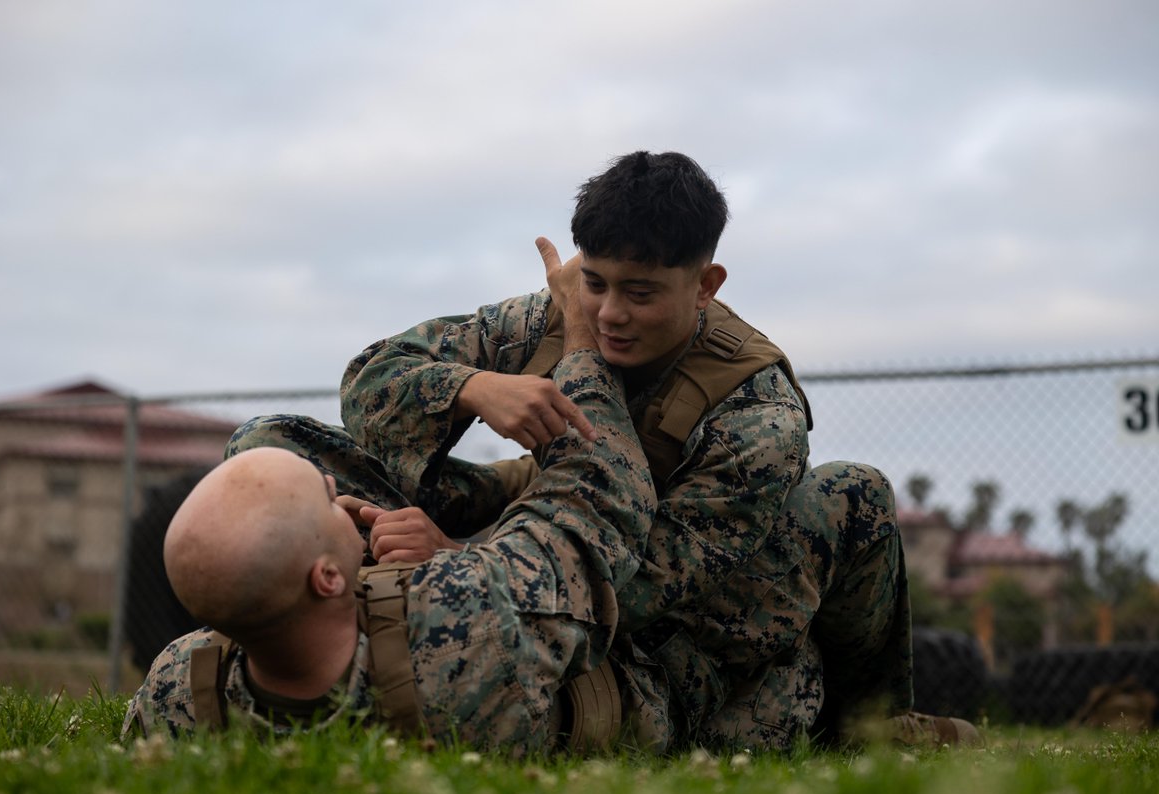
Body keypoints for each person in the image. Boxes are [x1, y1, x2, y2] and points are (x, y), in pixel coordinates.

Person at [226, 151, 975, 748]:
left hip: (656, 603)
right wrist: (469, 387)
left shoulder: (759, 414)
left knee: (856, 490)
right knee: (270, 451)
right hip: (528, 515)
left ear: (705, 285)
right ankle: (313, 642)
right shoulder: (539, 320)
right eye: (594, 283)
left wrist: (455, 554)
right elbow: (368, 383)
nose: (610, 313)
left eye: (641, 292)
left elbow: (645, 585)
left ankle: (875, 727)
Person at [123, 266, 678, 751]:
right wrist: (580, 337)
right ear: (328, 578)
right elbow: (597, 498)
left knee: (265, 437)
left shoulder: (177, 690)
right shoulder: (466, 625)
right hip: (648, 687)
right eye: (327, 502)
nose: (341, 496)